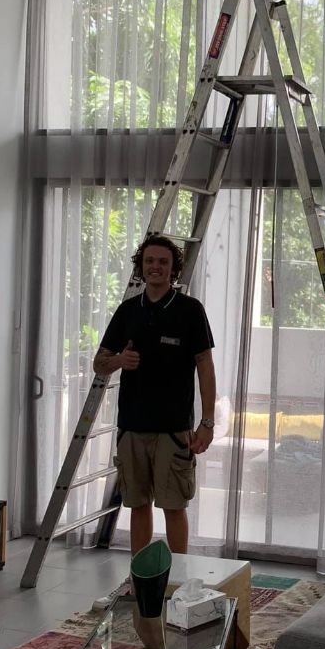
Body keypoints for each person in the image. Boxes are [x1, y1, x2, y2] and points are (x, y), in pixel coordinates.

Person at [94, 234, 216, 555]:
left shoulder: (190, 310)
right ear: (141, 266)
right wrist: (120, 360)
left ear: (173, 268)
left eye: (163, 262)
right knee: (138, 505)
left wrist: (207, 422)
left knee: (174, 506)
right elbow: (99, 362)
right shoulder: (128, 310)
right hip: (132, 427)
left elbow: (205, 365)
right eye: (149, 261)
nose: (155, 267)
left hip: (173, 429)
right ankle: (142, 578)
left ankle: (179, 579)